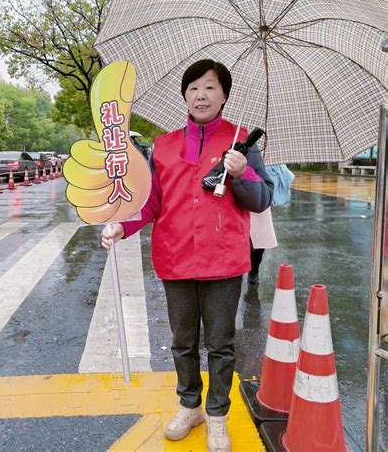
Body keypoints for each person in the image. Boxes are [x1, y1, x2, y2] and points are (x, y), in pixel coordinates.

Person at [101, 59, 273, 452]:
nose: (201, 94)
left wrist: (243, 171)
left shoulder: (241, 141)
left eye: (210, 87)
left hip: (224, 260)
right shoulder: (163, 146)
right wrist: (121, 227)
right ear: (184, 94)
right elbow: (150, 203)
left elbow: (263, 199)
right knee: (182, 341)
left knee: (220, 344)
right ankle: (190, 404)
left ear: (224, 95)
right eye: (193, 87)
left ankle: (217, 416)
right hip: (174, 257)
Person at [248, 164, 294, 284]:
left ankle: (254, 271)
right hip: (235, 201)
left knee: (258, 242)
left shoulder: (263, 159)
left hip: (258, 201)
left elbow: (285, 177)